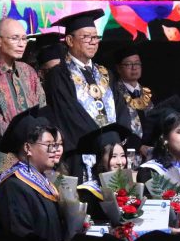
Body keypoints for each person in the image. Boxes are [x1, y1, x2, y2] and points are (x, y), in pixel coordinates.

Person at [45, 9, 132, 179]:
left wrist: (115, 139)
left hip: (113, 155)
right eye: (86, 37)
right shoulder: (59, 74)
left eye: (95, 37)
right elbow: (68, 113)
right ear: (70, 40)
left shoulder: (105, 73)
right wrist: (102, 141)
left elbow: (121, 107)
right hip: (81, 156)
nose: (93, 42)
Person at [0, 18, 47, 178]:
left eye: (24, 39)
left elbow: (42, 109)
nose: (21, 44)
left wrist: (39, 144)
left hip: (34, 153)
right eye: (15, 38)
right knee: (10, 191)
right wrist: (27, 146)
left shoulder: (28, 71)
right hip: (2, 155)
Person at [0, 107, 64, 241]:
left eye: (55, 145)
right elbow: (20, 239)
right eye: (48, 145)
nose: (54, 150)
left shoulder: (45, 183)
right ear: (28, 148)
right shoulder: (12, 187)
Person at [75, 123, 133, 223]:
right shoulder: (88, 193)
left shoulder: (127, 187)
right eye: (114, 156)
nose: (120, 162)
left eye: (122, 155)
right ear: (101, 159)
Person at [109, 44, 153, 165]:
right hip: (127, 155)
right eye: (128, 64)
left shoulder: (146, 93)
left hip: (151, 155)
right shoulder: (114, 94)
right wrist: (139, 146)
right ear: (119, 68)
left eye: (137, 63)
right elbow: (115, 126)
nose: (134, 68)